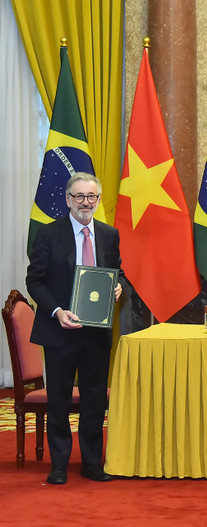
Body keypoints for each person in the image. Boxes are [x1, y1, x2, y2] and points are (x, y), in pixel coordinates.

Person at [26, 173, 123, 485]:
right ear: (68, 199)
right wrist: (57, 311)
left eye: (91, 197)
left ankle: (92, 464)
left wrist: (118, 286)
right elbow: (34, 281)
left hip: (96, 333)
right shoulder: (48, 234)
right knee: (59, 399)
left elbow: (117, 271)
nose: (86, 202)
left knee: (94, 400)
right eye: (79, 196)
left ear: (98, 200)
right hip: (60, 331)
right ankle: (59, 465)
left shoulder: (109, 234)